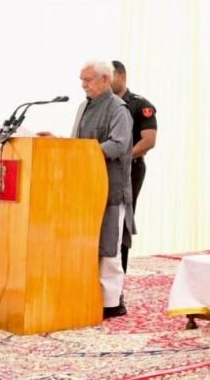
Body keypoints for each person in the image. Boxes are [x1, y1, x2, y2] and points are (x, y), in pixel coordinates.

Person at [69, 60, 134, 319]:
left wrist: (84, 151)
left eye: (88, 79)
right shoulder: (83, 107)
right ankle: (86, 295)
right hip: (85, 189)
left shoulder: (119, 109)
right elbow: (76, 144)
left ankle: (112, 303)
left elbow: (118, 145)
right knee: (86, 245)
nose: (83, 84)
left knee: (108, 248)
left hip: (111, 190)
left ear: (106, 80)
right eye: (82, 79)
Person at [111, 60, 157, 273]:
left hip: (130, 170)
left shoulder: (140, 105)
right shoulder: (101, 105)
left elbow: (148, 141)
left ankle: (119, 277)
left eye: (109, 76)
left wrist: (122, 156)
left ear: (121, 76)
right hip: (104, 169)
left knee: (122, 223)